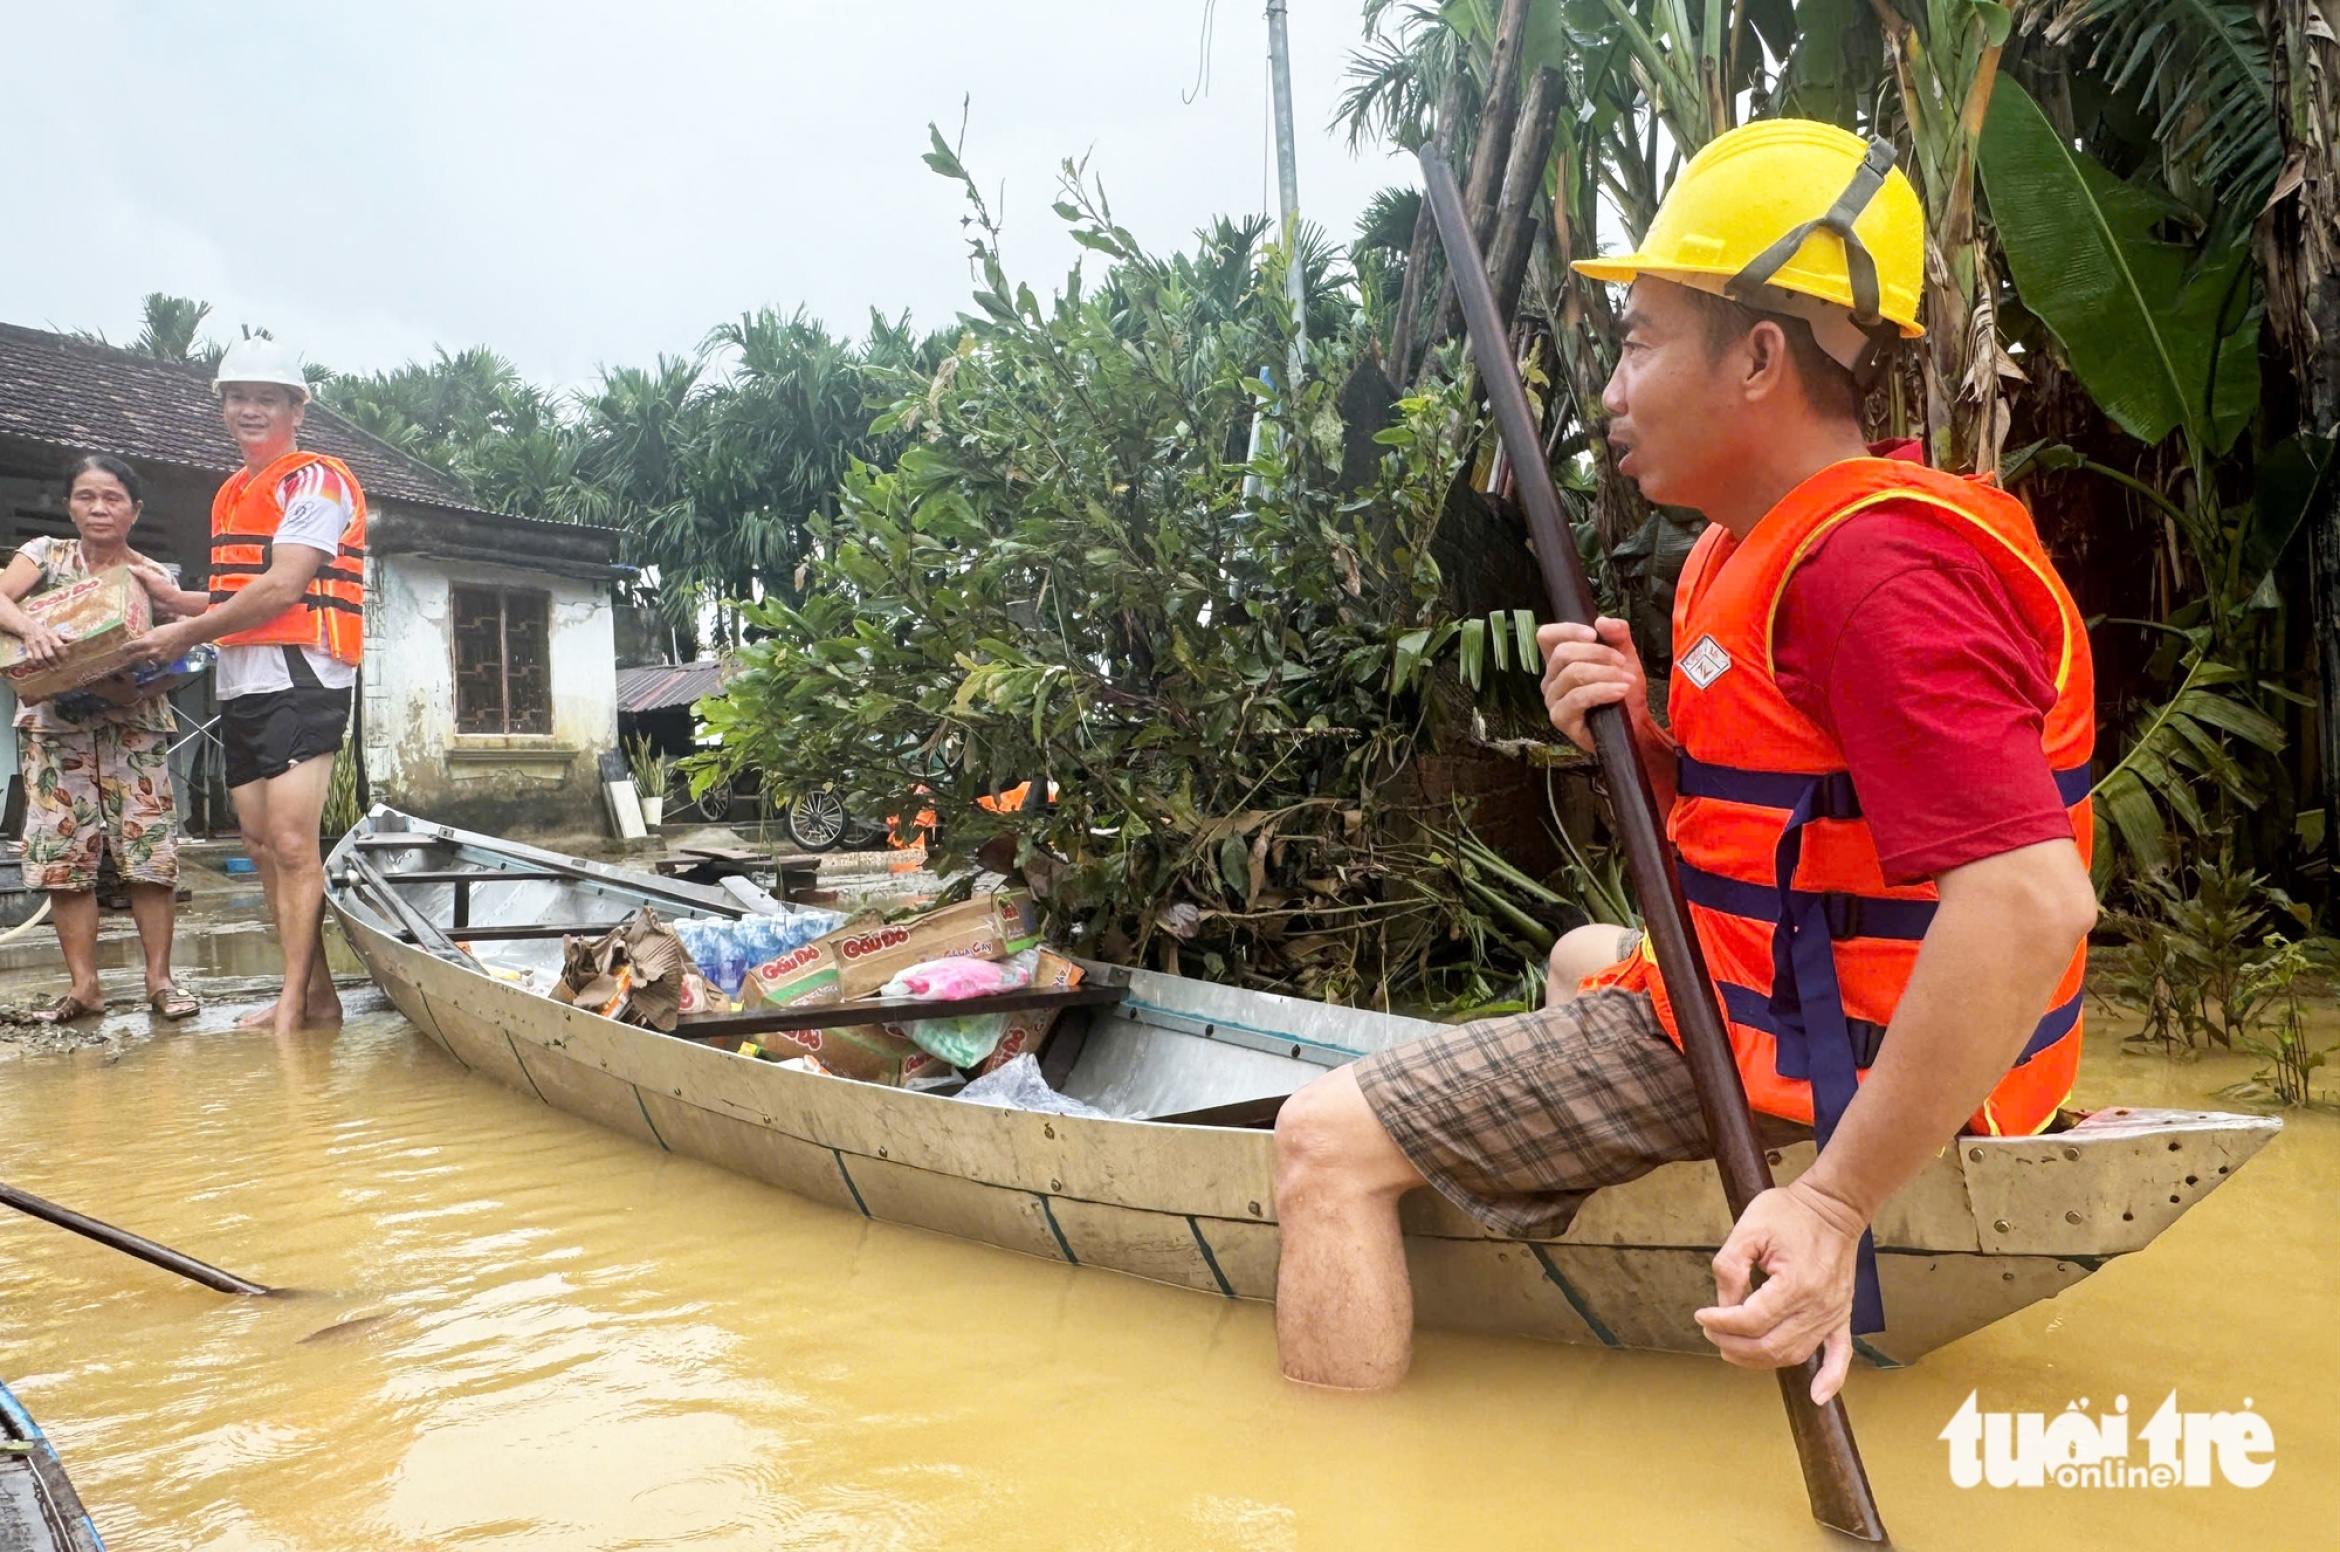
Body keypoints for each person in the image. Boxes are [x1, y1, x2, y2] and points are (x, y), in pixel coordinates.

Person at [1270, 120, 2099, 1400]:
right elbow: (1773, 831)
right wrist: (1644, 747)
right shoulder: (1746, 544)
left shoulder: (1875, 573)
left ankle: (1332, 1478)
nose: (1612, 389)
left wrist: (1833, 1202)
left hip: (1832, 1055)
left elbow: (2030, 902)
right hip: (1776, 994)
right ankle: (1609, 1262)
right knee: (1574, 956)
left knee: (1319, 1139)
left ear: (1759, 356)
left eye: (1639, 342)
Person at [131, 336, 367, 1038]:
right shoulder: (234, 490)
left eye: (267, 398)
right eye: (238, 397)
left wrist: (185, 634)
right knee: (261, 842)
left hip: (302, 671)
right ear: (224, 407)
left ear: (297, 409)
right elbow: (239, 592)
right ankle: (316, 996)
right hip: (242, 678)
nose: (250, 409)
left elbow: (285, 586)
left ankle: (292, 1004)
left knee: (293, 842)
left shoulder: (315, 480)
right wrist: (174, 602)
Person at [0, 454, 201, 1022]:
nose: (99, 508)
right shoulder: (44, 554)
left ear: (135, 510)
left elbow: (179, 655)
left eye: (112, 498)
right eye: (86, 496)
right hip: (55, 730)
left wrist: (135, 688)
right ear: (69, 505)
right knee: (64, 859)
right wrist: (33, 629)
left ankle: (160, 981)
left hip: (134, 727)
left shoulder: (153, 575)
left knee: (149, 855)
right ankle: (84, 988)